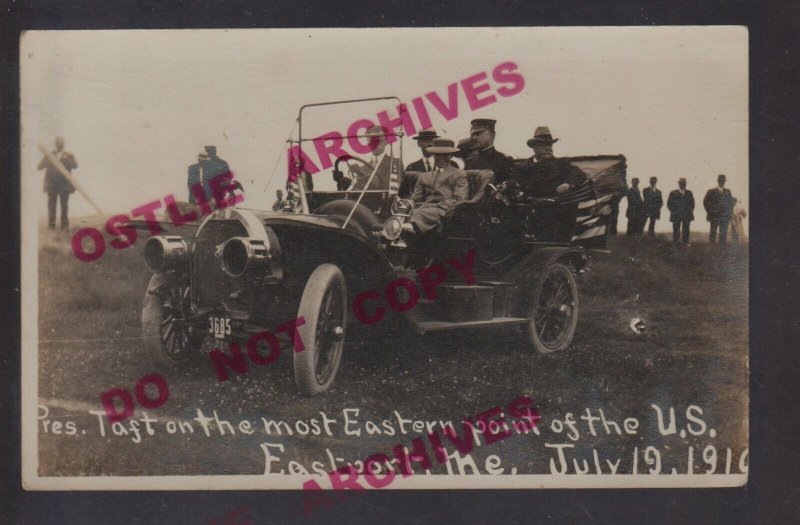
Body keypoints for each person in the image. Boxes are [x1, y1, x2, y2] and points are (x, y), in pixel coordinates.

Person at [403, 138, 468, 236]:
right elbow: (415, 198)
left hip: (443, 211)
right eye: (437, 154)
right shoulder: (424, 176)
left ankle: (410, 226)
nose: (441, 158)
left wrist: (441, 207)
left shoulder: (459, 174)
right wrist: (406, 204)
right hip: (424, 209)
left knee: (418, 213)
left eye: (445, 155)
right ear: (433, 155)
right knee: (403, 213)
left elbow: (460, 199)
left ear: (450, 156)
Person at [348, 125, 404, 193]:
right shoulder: (363, 168)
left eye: (378, 141)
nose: (375, 144)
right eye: (372, 141)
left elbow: (389, 189)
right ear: (368, 143)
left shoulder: (395, 164)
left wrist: (361, 174)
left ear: (386, 142)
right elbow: (356, 191)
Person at [402, 128, 456, 197]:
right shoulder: (411, 168)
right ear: (419, 144)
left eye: (432, 141)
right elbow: (404, 193)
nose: (430, 144)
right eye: (426, 141)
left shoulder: (450, 164)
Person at [39, 136, 78, 230]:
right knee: (51, 205)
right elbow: (41, 166)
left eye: (61, 143)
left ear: (64, 144)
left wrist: (68, 159)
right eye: (58, 143)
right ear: (55, 144)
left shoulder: (69, 155)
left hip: (64, 185)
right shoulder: (50, 154)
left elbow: (75, 165)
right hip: (52, 184)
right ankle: (51, 225)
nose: (59, 144)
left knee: (64, 205)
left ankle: (64, 226)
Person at [464, 118, 514, 184]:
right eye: (473, 134)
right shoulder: (470, 160)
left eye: (478, 134)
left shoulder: (503, 160)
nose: (474, 138)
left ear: (492, 135)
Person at [703, 174, 734, 243]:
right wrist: (710, 211)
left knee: (723, 235)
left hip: (724, 217)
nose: (722, 182)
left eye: (723, 181)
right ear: (718, 181)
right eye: (720, 180)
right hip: (714, 216)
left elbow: (731, 203)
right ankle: (712, 250)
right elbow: (705, 202)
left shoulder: (728, 192)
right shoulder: (711, 192)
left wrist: (728, 213)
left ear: (725, 182)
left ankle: (722, 250)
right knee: (713, 234)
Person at [667, 177, 695, 244]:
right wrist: (674, 211)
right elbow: (669, 204)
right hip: (676, 215)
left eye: (684, 183)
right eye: (681, 183)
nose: (683, 185)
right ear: (679, 184)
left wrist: (689, 211)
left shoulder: (689, 193)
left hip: (686, 215)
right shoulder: (673, 193)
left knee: (686, 230)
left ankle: (685, 243)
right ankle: (676, 244)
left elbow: (692, 204)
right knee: (676, 230)